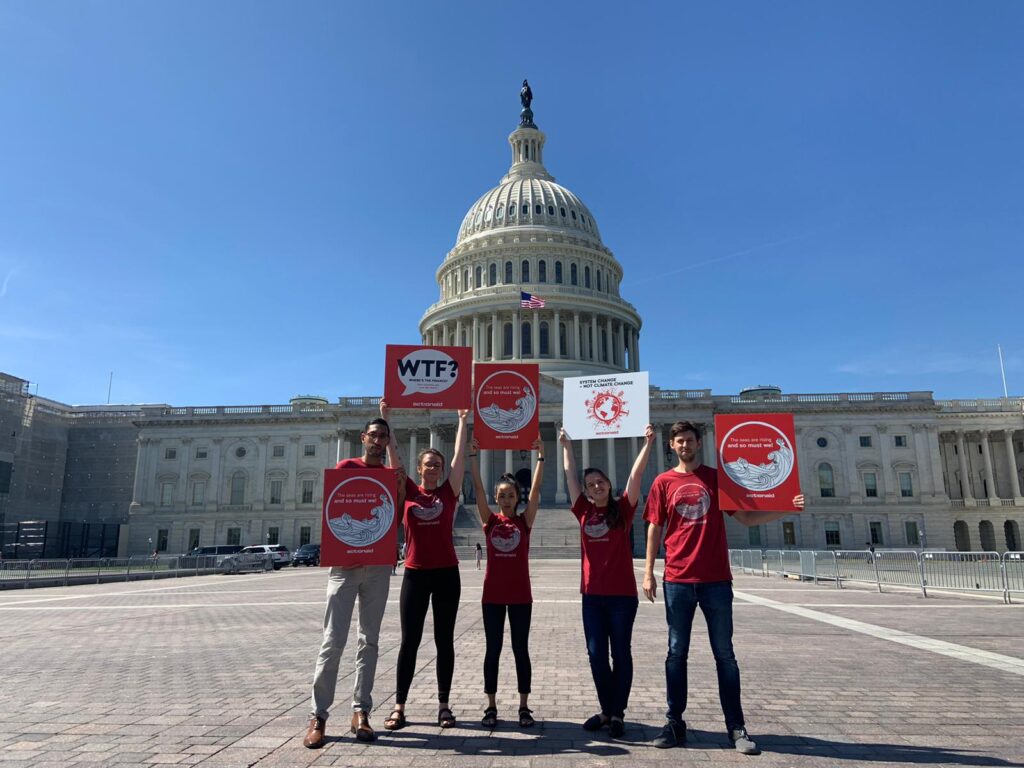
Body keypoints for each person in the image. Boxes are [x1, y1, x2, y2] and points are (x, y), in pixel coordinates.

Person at [643, 420, 804, 754]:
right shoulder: (662, 482)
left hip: (716, 579)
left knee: (725, 655)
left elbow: (745, 518)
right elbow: (654, 528)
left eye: (689, 440)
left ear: (699, 443)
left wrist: (787, 508)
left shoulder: (718, 479)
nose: (684, 445)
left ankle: (736, 727)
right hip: (677, 578)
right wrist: (648, 572)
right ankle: (675, 723)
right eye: (679, 441)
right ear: (670, 445)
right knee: (676, 654)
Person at [305, 401, 405, 749]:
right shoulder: (346, 466)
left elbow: (401, 489)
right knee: (332, 641)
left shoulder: (391, 475)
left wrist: (391, 421)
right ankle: (318, 714)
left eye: (384, 437)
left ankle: (361, 711)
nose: (378, 441)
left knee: (370, 640)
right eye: (374, 435)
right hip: (345, 566)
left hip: (377, 566)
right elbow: (337, 505)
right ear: (363, 437)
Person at [559, 425, 656, 740]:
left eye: (600, 482)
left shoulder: (623, 510)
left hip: (621, 597)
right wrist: (566, 446)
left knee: (622, 654)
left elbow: (636, 476)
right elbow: (570, 476)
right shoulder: (583, 511)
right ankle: (606, 709)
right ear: (586, 491)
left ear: (609, 484)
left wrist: (648, 443)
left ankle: (616, 713)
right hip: (592, 596)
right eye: (591, 484)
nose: (596, 486)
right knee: (596, 653)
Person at [383, 409, 469, 731]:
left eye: (437, 465)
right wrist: (387, 419)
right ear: (419, 469)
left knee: (444, 640)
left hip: (447, 573)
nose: (433, 468)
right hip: (415, 573)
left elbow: (460, 455)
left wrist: (462, 420)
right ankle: (399, 705)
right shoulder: (408, 491)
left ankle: (444, 706)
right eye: (428, 464)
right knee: (410, 641)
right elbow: (395, 457)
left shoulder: (448, 492)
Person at [469, 436, 544, 728]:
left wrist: (540, 457)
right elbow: (477, 489)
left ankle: (524, 706)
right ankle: (491, 706)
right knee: (493, 650)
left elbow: (536, 489)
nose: (506, 499)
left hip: (521, 595)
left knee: (521, 649)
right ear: (497, 498)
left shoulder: (524, 522)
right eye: (501, 495)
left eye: (511, 495)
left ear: (517, 497)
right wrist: (473, 458)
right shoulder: (490, 521)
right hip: (493, 596)